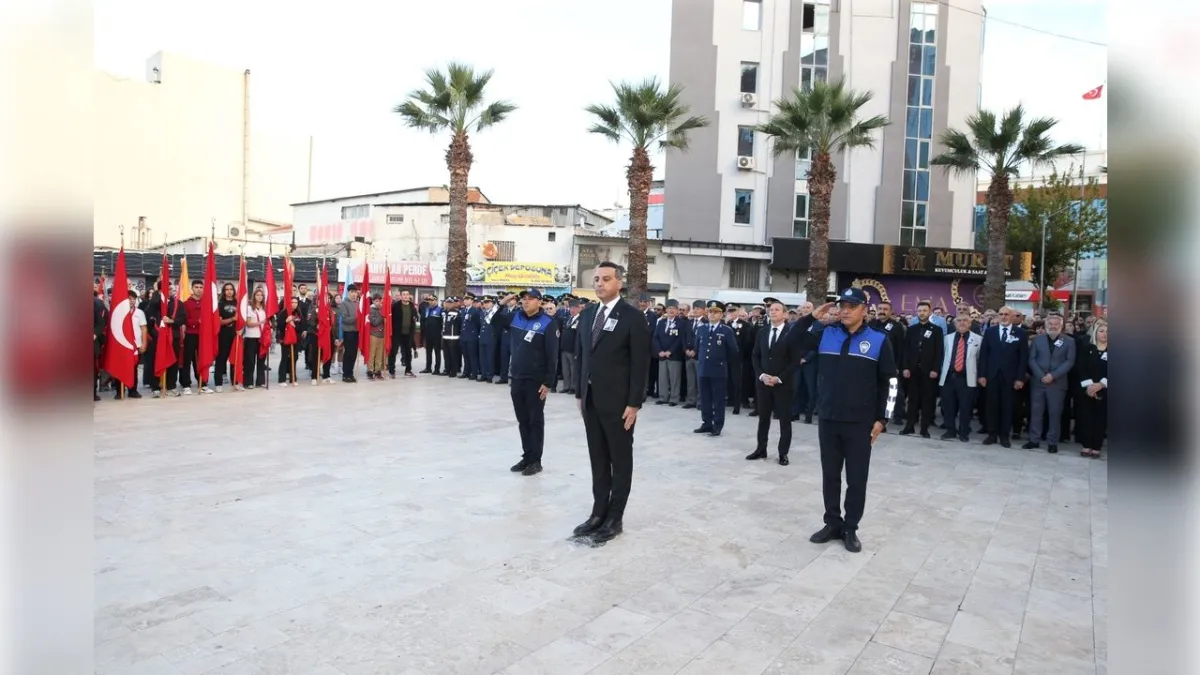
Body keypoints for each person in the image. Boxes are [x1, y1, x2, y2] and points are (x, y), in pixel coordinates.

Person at [800, 287, 898, 553]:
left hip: (860, 423)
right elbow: (794, 342)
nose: (844, 310)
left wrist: (883, 419)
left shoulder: (878, 340)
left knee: (856, 479)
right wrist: (812, 319)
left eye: (851, 306)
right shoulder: (825, 334)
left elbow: (891, 383)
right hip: (829, 418)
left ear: (864, 310)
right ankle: (832, 522)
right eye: (842, 305)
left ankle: (850, 528)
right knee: (830, 476)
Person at [571, 262, 651, 545]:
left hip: (619, 404)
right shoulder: (589, 314)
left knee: (620, 459)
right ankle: (598, 513)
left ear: (619, 283)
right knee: (598, 459)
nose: (599, 284)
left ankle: (615, 518)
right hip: (591, 400)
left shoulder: (632, 317)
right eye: (596, 279)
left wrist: (634, 403)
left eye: (606, 279)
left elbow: (640, 364)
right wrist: (579, 393)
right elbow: (582, 357)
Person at [507, 289, 560, 476]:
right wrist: (502, 302)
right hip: (517, 377)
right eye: (524, 299)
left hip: (536, 380)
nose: (526, 301)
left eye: (530, 299)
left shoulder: (548, 323)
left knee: (534, 420)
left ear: (539, 302)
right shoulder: (516, 318)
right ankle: (527, 456)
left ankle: (536, 460)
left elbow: (553, 355)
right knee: (523, 420)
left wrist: (548, 382)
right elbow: (495, 321)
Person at [748, 298, 803, 464]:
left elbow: (795, 361)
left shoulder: (792, 333)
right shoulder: (762, 332)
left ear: (785, 314)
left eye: (777, 309)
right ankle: (761, 449)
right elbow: (755, 356)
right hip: (764, 384)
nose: (773, 311)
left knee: (784, 420)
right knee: (763, 418)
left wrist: (779, 378)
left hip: (783, 385)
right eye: (771, 309)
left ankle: (783, 453)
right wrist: (762, 375)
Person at [1024, 313, 1076, 453]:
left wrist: (1053, 375)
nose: (1053, 326)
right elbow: (1032, 359)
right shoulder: (1037, 340)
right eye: (1050, 324)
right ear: (1045, 325)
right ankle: (1033, 440)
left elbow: (1069, 361)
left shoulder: (1069, 341)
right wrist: (1041, 376)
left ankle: (1052, 442)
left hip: (1057, 383)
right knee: (1036, 412)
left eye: (1056, 324)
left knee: (1055, 414)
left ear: (1061, 326)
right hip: (1038, 382)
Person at [978, 306, 1028, 448]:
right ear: (998, 316)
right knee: (991, 406)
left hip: (1010, 377)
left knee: (1007, 407)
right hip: (992, 375)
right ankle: (992, 434)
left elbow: (1023, 358)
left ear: (1012, 316)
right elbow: (984, 355)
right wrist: (981, 374)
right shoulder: (990, 332)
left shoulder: (1021, 333)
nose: (1004, 317)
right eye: (1001, 314)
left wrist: (1020, 378)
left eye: (1007, 314)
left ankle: (1004, 436)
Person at [693, 301, 738, 436]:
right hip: (703, 368)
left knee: (718, 399)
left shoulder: (726, 330)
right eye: (710, 311)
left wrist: (721, 362)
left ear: (722, 314)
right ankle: (706, 423)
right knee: (705, 398)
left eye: (716, 312)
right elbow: (697, 347)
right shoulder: (701, 329)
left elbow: (733, 351)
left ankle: (717, 425)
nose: (712, 314)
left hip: (718, 370)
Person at [900, 301, 944, 437]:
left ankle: (924, 428)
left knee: (927, 400)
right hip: (912, 371)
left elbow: (939, 352)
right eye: (919, 311)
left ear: (929, 312)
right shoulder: (911, 329)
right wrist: (905, 367)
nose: (922, 313)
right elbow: (905, 350)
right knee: (912, 400)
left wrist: (935, 369)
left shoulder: (937, 330)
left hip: (928, 372)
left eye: (924, 311)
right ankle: (909, 426)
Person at [938, 314, 983, 442]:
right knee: (948, 406)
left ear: (970, 324)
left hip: (967, 378)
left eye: (965, 321)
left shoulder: (978, 339)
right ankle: (950, 430)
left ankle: (963, 432)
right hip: (949, 378)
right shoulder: (947, 338)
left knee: (966, 407)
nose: (962, 323)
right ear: (954, 324)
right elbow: (942, 357)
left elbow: (980, 360)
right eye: (959, 321)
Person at [1075, 320, 1107, 458]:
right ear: (1095, 333)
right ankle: (1086, 445)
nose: (1105, 334)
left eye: (1107, 332)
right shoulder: (1087, 348)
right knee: (1086, 417)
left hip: (1105, 390)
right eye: (1101, 331)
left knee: (1101, 419)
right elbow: (1080, 368)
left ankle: (1096, 447)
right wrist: (1090, 386)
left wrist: (1101, 385)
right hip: (1087, 390)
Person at [652, 299, 686, 406]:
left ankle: (674, 398)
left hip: (675, 355)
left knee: (674, 378)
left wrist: (670, 351)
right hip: (662, 355)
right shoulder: (661, 322)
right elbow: (655, 337)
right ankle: (663, 397)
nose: (671, 310)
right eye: (669, 308)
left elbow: (680, 339)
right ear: (666, 310)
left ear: (677, 311)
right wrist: (660, 351)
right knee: (662, 377)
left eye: (674, 308)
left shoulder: (681, 323)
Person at [180, 279, 211, 394]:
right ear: (192, 289)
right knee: (187, 359)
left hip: (203, 336)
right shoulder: (186, 303)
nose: (199, 289)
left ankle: (202, 382)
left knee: (201, 359)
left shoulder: (207, 303)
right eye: (196, 287)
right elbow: (184, 319)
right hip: (191, 334)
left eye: (201, 287)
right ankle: (186, 384)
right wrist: (197, 321)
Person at [240, 286, 268, 390]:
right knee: (250, 361)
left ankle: (260, 382)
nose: (259, 297)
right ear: (254, 296)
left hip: (262, 338)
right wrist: (261, 323)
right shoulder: (249, 308)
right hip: (251, 337)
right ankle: (248, 382)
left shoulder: (265, 308)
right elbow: (248, 324)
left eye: (261, 295)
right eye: (257, 295)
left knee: (261, 361)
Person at [389, 288, 420, 378]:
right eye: (404, 294)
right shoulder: (395, 306)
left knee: (408, 353)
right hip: (397, 333)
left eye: (407, 294)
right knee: (393, 352)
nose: (406, 296)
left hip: (408, 334)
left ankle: (408, 370)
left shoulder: (412, 306)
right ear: (401, 296)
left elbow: (415, 317)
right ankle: (391, 371)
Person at [277, 296, 307, 386]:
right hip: (285, 338)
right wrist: (286, 321)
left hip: (296, 339)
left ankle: (293, 377)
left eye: (295, 302)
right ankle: (281, 379)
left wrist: (294, 326)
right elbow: (280, 327)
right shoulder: (283, 313)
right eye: (292, 302)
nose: (294, 304)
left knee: (294, 358)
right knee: (284, 358)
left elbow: (301, 326)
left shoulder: (299, 313)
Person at [683, 299, 706, 409]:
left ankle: (700, 401)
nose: (696, 310)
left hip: (699, 355)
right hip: (688, 355)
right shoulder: (689, 322)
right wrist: (686, 350)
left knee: (700, 380)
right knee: (690, 380)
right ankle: (691, 400)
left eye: (698, 308)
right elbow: (684, 337)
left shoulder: (706, 323)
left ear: (703, 310)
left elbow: (704, 340)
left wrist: (695, 350)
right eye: (694, 308)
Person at [338, 284, 361, 383]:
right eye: (352, 292)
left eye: (355, 292)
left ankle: (350, 373)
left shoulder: (359, 303)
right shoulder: (344, 303)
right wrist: (357, 317)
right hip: (348, 332)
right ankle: (345, 374)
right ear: (348, 292)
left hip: (357, 332)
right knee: (348, 353)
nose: (354, 294)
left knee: (354, 354)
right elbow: (345, 319)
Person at [559, 299, 582, 395]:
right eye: (570, 308)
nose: (571, 310)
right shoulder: (568, 318)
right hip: (564, 347)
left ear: (578, 308)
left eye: (573, 308)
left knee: (573, 369)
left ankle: (573, 387)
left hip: (573, 349)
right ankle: (566, 386)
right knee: (565, 369)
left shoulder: (580, 320)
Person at [420, 295, 443, 374]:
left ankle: (437, 369)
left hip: (436, 335)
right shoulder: (426, 309)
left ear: (436, 301)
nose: (430, 301)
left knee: (437, 352)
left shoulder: (440, 310)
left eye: (431, 300)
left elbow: (442, 323)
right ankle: (428, 368)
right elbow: (423, 321)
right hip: (428, 334)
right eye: (429, 300)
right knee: (428, 352)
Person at [366, 293, 387, 380]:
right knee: (372, 354)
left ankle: (378, 370)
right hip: (373, 335)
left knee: (379, 354)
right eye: (376, 301)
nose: (378, 302)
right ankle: (370, 371)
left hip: (382, 335)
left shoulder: (383, 309)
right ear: (373, 301)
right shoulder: (371, 310)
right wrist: (382, 315)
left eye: (379, 300)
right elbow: (374, 322)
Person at [441, 297, 462, 377]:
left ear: (453, 304)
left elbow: (459, 324)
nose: (448, 304)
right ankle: (447, 369)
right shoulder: (443, 312)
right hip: (445, 336)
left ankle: (453, 371)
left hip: (453, 337)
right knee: (446, 355)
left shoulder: (456, 312)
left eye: (450, 303)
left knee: (453, 355)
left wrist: (458, 334)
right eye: (447, 303)